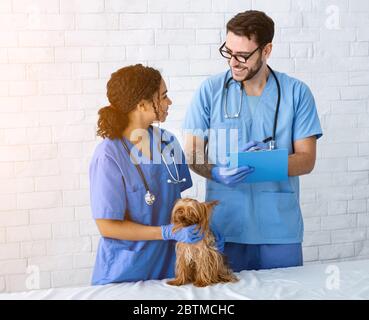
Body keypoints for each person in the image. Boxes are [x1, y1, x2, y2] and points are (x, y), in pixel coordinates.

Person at [183, 10, 323, 272]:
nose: (234, 62)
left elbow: (306, 159)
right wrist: (216, 171)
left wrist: (260, 164)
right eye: (229, 52)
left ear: (266, 50)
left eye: (243, 56)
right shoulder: (210, 90)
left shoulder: (297, 93)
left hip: (279, 230)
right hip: (225, 227)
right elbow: (192, 152)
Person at [89, 64, 212, 285]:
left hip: (170, 271)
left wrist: (204, 228)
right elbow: (107, 226)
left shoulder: (168, 142)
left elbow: (177, 205)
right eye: (163, 96)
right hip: (124, 274)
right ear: (142, 105)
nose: (169, 102)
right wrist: (166, 232)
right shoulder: (109, 155)